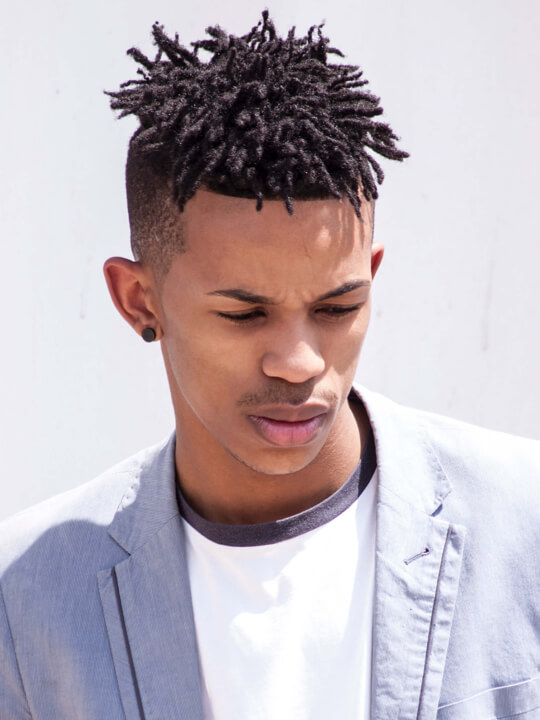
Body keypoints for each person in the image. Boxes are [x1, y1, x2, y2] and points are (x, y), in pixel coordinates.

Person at [1, 12, 539, 720]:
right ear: (139, 301)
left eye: (338, 307)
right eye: (244, 314)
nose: (300, 363)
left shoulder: (524, 526)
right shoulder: (27, 599)